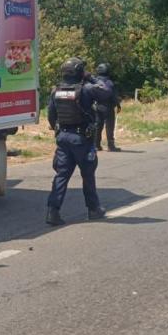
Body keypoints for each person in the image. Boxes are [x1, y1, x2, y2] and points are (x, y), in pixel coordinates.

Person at [46, 57, 112, 225]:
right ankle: (93, 209)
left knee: (61, 175)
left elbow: (51, 116)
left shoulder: (56, 91)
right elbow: (107, 91)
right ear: (80, 72)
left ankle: (52, 212)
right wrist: (91, 77)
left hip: (63, 138)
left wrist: (59, 131)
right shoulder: (87, 89)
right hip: (82, 139)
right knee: (88, 175)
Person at [91, 62, 121, 152]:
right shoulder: (109, 82)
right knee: (109, 126)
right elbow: (114, 96)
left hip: (96, 106)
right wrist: (118, 105)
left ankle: (96, 145)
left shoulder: (94, 82)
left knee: (98, 126)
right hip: (108, 107)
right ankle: (111, 146)